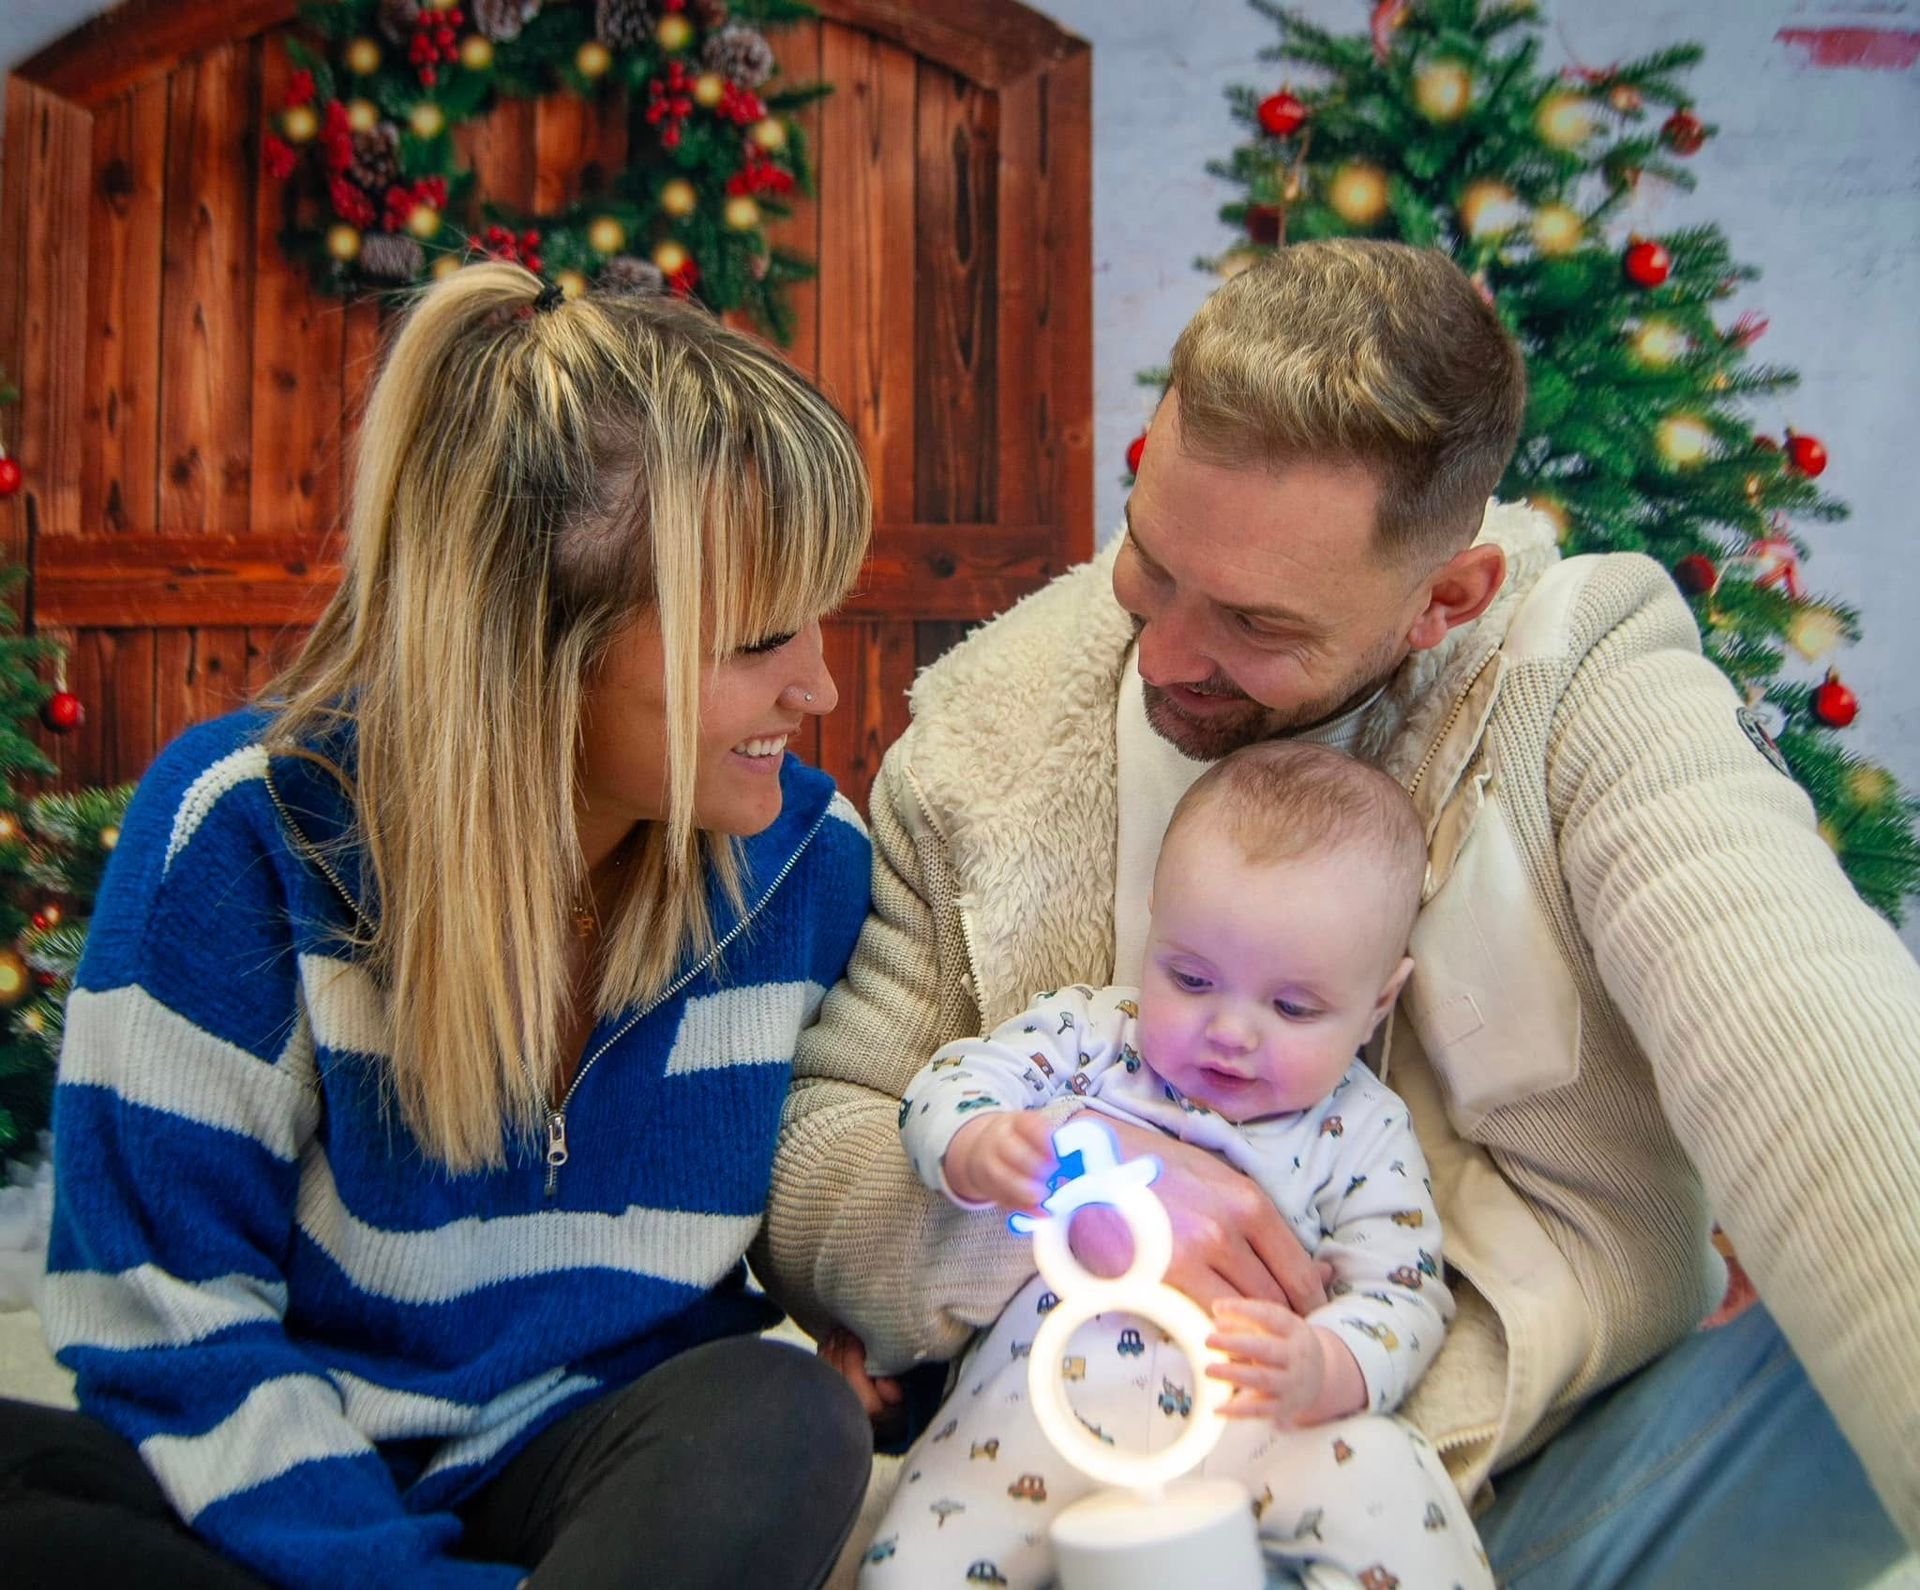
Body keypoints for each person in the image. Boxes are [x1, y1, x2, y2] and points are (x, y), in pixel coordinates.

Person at [761, 240, 1920, 1585]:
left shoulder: (1581, 678)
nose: (1163, 654)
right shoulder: (982, 743)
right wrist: (1087, 1184)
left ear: (1446, 598)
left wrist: (1335, 1366)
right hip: (1081, 1471)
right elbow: (814, 1162)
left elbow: (1816, 1047)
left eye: (1257, 625)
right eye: (1149, 561)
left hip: (1496, 1482)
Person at [0, 265, 878, 1590]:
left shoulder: (810, 860)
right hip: (289, 1471)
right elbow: (164, 1316)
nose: (818, 686)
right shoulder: (245, 830)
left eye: (819, 619)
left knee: (782, 1414)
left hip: (595, 1455)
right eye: (758, 640)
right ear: (536, 640)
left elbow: (861, 1171)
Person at [858, 740, 1489, 1590]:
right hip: (1042, 1409)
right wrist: (976, 1142)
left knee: (1393, 1492)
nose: (1230, 1032)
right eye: (1191, 979)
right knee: (914, 1561)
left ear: (1378, 1002)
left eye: (1291, 1006)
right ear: (1153, 924)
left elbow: (1404, 1295)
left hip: (1255, 1416)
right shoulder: (1090, 1035)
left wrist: (1326, 1365)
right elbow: (950, 1081)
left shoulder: (1365, 1130)